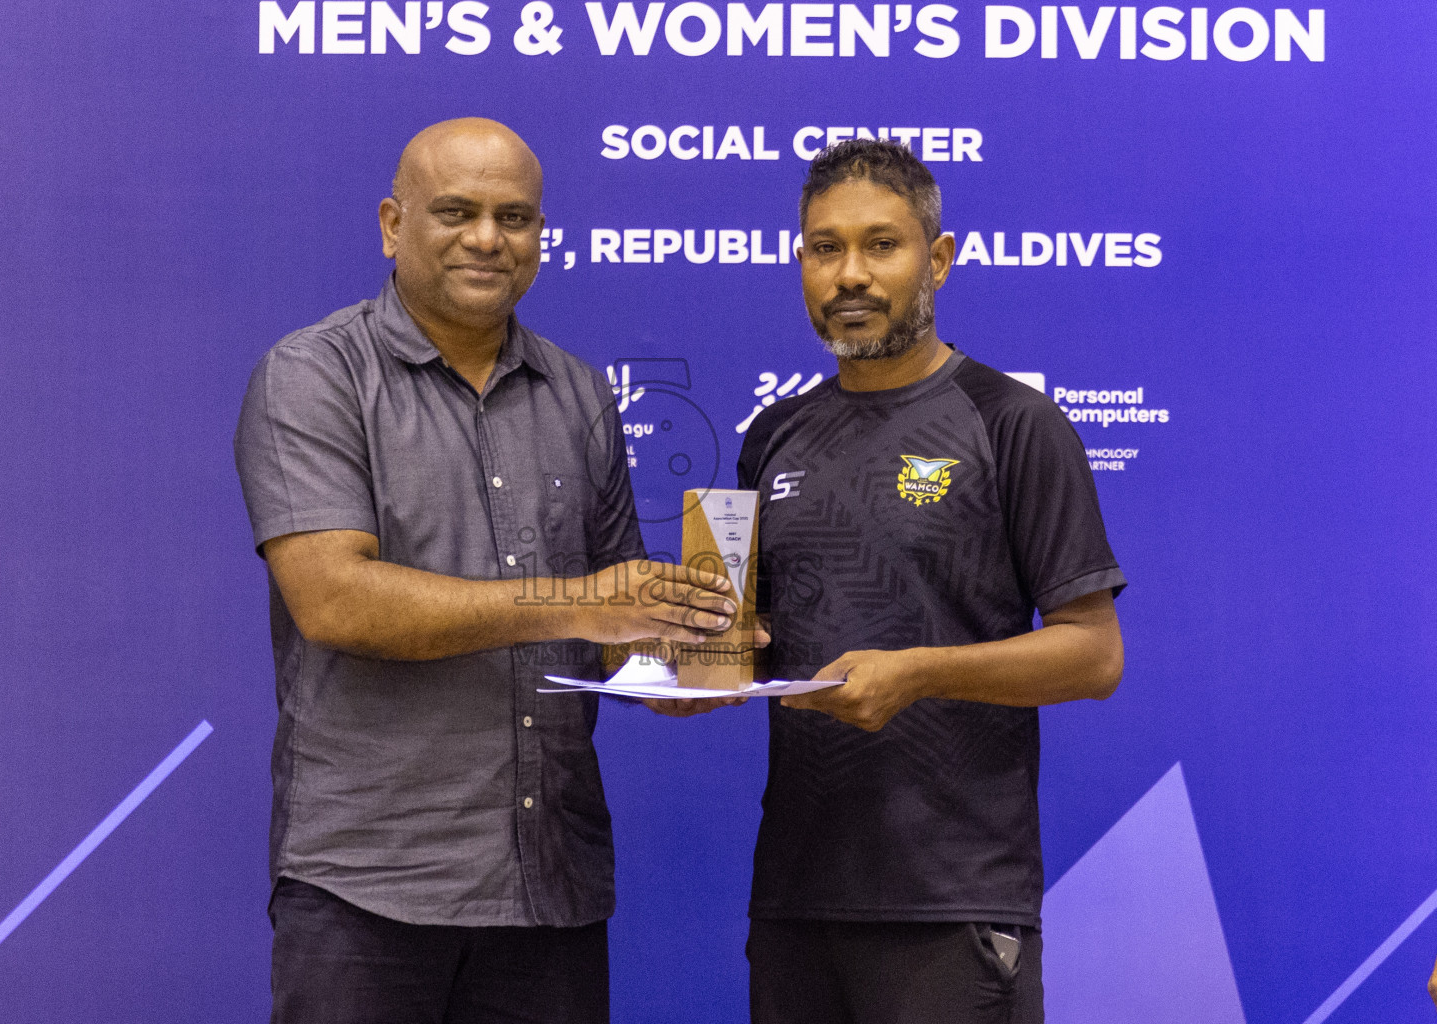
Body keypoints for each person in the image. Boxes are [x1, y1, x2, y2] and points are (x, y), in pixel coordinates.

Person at [233, 117, 737, 1024]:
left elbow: (611, 623)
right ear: (393, 225)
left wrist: (688, 658)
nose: (487, 239)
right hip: (368, 890)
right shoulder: (314, 376)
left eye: (515, 217)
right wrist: (579, 603)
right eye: (456, 212)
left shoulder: (580, 392)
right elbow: (336, 601)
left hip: (550, 887)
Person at [735, 138, 1127, 1024]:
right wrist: (696, 676)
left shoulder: (1012, 422)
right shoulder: (771, 438)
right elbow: (754, 644)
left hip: (953, 902)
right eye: (825, 248)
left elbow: (1093, 655)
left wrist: (919, 672)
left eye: (882, 245)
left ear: (938, 261)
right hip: (796, 896)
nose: (851, 275)